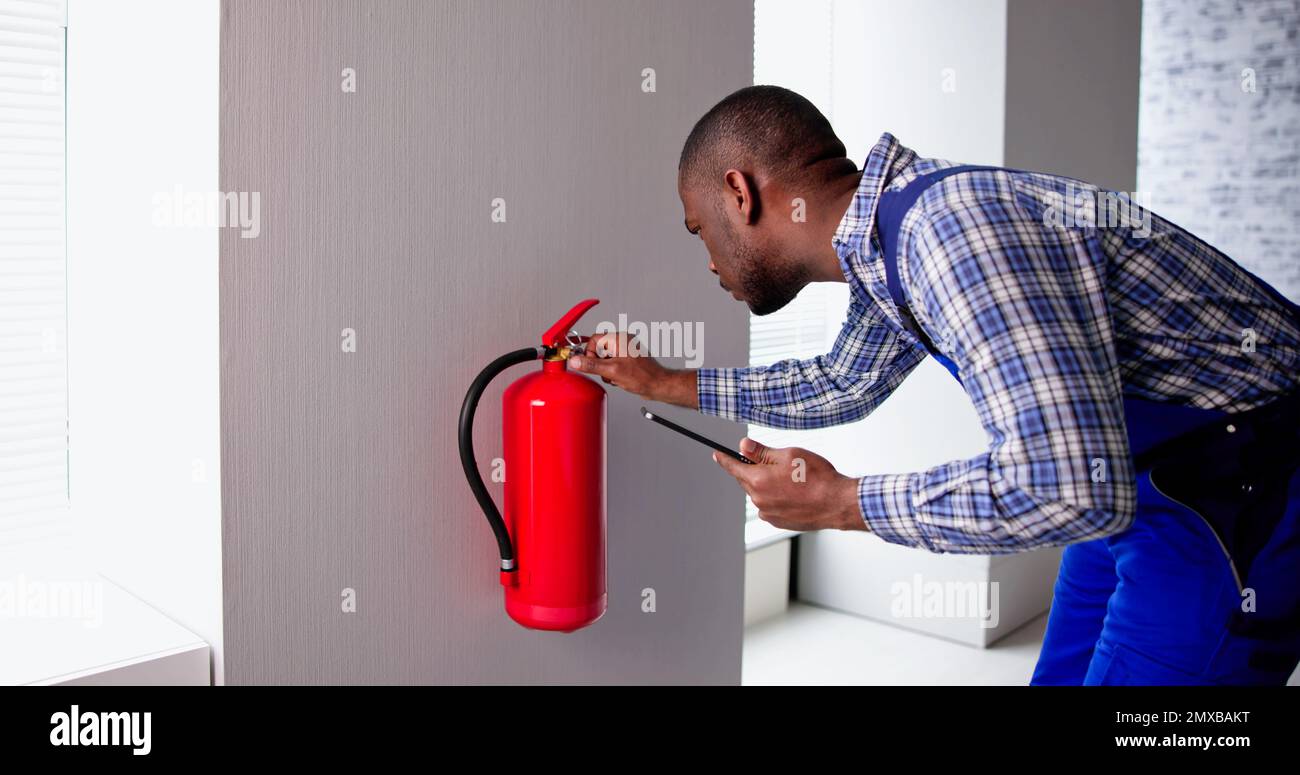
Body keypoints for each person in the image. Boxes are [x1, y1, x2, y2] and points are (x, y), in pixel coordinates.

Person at [568, 85, 1300, 685]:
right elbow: (841, 383)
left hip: (1241, 492)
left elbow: (1064, 488)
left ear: (740, 193)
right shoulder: (894, 236)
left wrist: (843, 503)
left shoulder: (951, 235)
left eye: (698, 229)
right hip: (1135, 485)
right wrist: (662, 381)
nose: (707, 260)